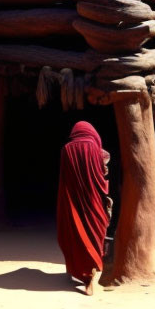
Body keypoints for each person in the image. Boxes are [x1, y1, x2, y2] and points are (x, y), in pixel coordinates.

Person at [56, 122, 112, 296]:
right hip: (93, 203)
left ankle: (80, 273)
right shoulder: (96, 149)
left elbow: (64, 180)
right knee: (94, 237)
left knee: (75, 236)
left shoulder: (66, 149)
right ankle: (90, 277)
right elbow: (102, 176)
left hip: (73, 202)